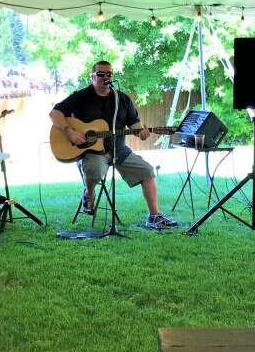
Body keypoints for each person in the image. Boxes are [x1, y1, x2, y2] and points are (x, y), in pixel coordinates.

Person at [49, 60, 178, 228]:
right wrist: (69, 131)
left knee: (147, 171)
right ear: (92, 76)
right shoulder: (80, 97)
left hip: (119, 150)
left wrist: (142, 132)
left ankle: (154, 216)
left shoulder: (121, 99)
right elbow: (54, 113)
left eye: (109, 74)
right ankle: (89, 194)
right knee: (94, 169)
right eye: (101, 74)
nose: (106, 77)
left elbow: (135, 124)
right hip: (93, 152)